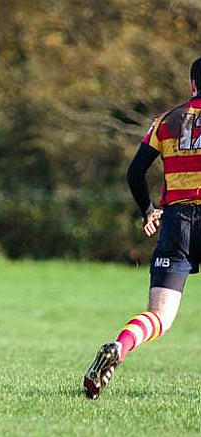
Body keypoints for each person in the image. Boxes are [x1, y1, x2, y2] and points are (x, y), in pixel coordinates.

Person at [83, 56, 201, 400]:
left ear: (192, 85)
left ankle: (120, 347)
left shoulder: (166, 121)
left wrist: (148, 210)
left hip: (176, 221)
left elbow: (135, 173)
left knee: (160, 315)